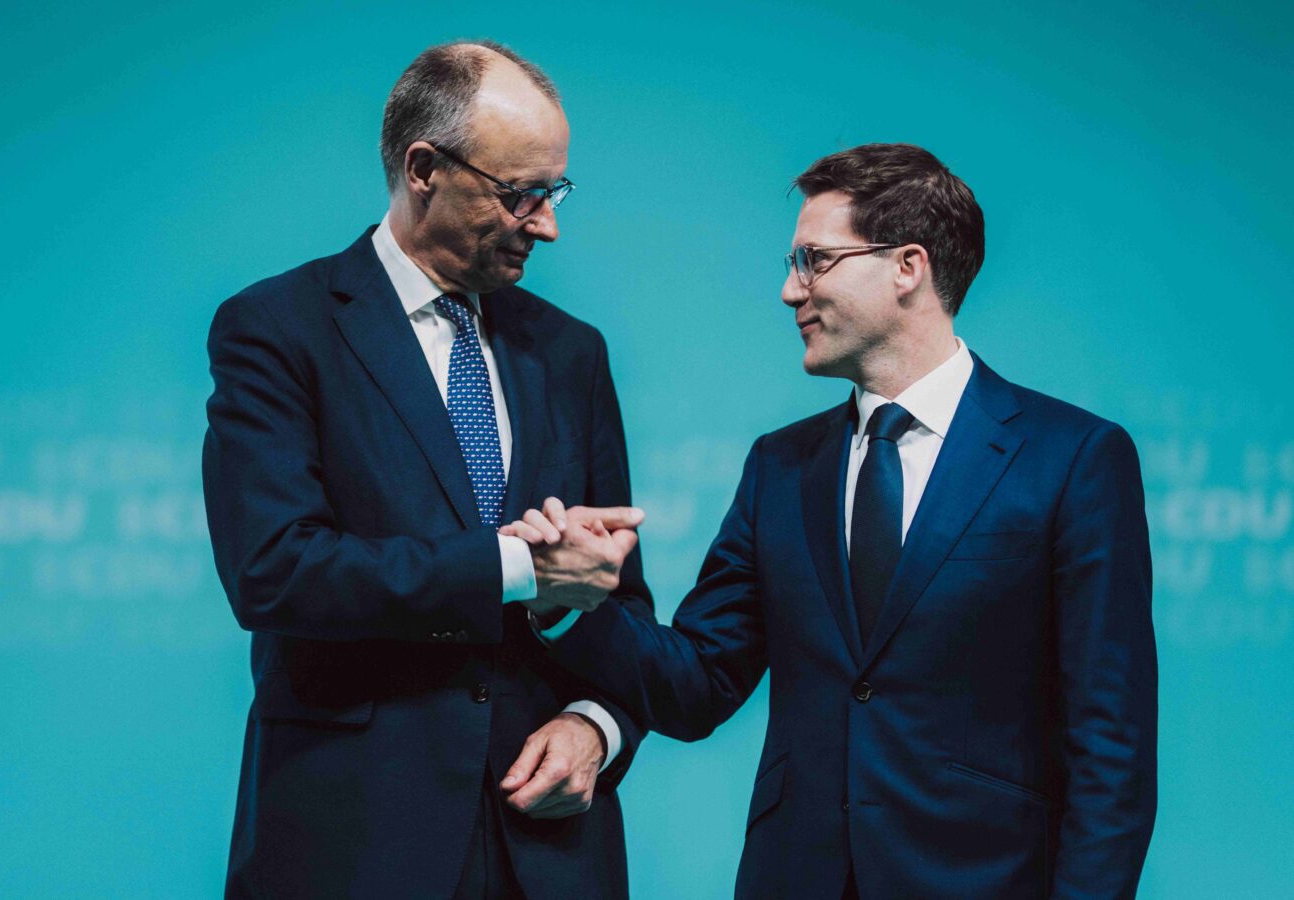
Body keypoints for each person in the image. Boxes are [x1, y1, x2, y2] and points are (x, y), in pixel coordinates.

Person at [505, 144, 1157, 898]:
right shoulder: (781, 467)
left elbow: (1111, 743)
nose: (790, 291)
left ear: (907, 266)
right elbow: (700, 682)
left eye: (814, 261)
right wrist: (565, 602)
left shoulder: (1072, 457)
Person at [203, 40, 651, 899]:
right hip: (354, 845)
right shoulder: (277, 328)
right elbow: (275, 570)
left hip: (549, 854)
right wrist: (517, 567)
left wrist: (598, 729)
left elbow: (619, 602)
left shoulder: (572, 353)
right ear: (424, 168)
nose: (547, 223)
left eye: (553, 194)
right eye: (522, 193)